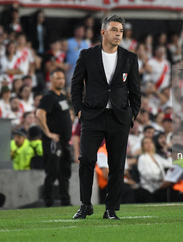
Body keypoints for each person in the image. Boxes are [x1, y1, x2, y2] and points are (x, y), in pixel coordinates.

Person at [70, 14, 141, 220]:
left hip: (119, 118)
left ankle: (111, 209)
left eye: (121, 31)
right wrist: (78, 109)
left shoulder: (130, 58)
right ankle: (85, 205)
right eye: (114, 30)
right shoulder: (87, 55)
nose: (118, 34)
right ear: (103, 32)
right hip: (92, 116)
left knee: (117, 164)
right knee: (86, 160)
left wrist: (132, 114)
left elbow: (135, 90)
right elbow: (76, 85)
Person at [36, 69, 72, 207]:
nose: (61, 81)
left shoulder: (62, 96)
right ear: (51, 79)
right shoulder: (48, 97)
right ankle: (48, 202)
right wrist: (48, 133)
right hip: (53, 141)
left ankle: (65, 201)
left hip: (63, 141)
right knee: (52, 172)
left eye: (62, 78)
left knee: (65, 172)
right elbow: (39, 114)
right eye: (57, 78)